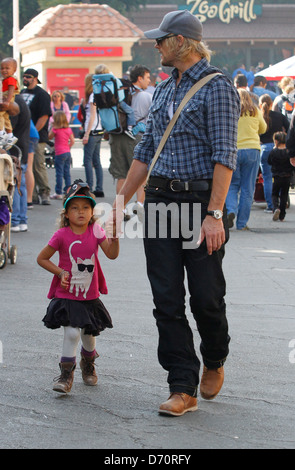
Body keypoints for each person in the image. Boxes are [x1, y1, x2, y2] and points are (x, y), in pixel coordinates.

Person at [111, 10, 240, 416]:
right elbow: (145, 152)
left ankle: (215, 358)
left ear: (181, 42)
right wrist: (120, 203)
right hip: (160, 203)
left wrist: (215, 213)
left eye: (161, 39)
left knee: (206, 298)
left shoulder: (217, 88)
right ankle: (182, 384)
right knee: (166, 299)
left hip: (200, 205)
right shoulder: (165, 89)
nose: (156, 45)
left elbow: (225, 156)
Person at [37, 180, 119, 394]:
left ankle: (88, 362)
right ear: (66, 213)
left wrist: (115, 238)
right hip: (67, 295)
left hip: (90, 297)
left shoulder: (97, 231)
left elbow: (111, 254)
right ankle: (66, 375)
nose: (80, 212)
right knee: (72, 333)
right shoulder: (61, 235)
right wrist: (60, 272)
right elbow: (42, 258)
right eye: (75, 207)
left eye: (85, 207)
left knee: (88, 336)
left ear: (92, 211)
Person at [108, 64, 152, 220]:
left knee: (121, 175)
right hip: (136, 136)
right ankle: (139, 205)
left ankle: (122, 209)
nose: (149, 81)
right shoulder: (144, 96)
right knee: (140, 172)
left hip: (117, 135)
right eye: (147, 77)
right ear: (139, 78)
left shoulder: (120, 94)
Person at [226, 89, 267, 230]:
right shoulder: (255, 110)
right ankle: (242, 224)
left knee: (232, 185)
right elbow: (263, 128)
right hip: (252, 150)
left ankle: (231, 210)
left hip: (234, 150)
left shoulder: (231, 109)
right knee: (247, 188)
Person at [20, 68, 52, 205]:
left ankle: (44, 192)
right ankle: (31, 195)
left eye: (28, 77)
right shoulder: (21, 93)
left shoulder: (42, 94)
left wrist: (33, 132)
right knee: (27, 167)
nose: (25, 79)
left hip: (37, 136)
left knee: (38, 166)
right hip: (22, 136)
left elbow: (44, 116)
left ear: (35, 78)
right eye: (24, 76)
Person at [259, 94, 290, 212]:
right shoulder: (279, 116)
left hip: (264, 148)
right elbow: (289, 129)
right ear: (272, 104)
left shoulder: (260, 116)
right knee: (281, 176)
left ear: (260, 105)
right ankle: (282, 204)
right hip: (279, 147)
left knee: (266, 177)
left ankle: (271, 205)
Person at [10, 94, 30, 232]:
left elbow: (10, 128)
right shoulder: (19, 100)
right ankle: (21, 219)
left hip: (14, 150)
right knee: (20, 185)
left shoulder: (14, 103)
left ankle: (16, 219)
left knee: (16, 185)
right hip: (21, 148)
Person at [82, 73, 105, 197]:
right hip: (99, 130)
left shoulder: (92, 96)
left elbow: (92, 116)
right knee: (97, 160)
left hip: (92, 131)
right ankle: (99, 187)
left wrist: (86, 133)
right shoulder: (99, 95)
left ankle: (89, 187)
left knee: (87, 160)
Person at [268, 131, 294, 221]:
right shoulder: (288, 152)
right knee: (284, 195)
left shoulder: (273, 152)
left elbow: (269, 161)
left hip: (276, 176)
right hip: (287, 177)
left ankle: (275, 208)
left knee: (274, 194)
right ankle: (282, 215)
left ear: (276, 141)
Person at [49, 110, 75, 200]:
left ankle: (58, 192)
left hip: (59, 153)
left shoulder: (55, 130)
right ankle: (68, 191)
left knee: (59, 173)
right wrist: (68, 147)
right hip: (67, 152)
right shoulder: (68, 129)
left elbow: (49, 137)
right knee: (67, 172)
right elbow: (72, 141)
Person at [0, 57, 19, 149]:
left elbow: (11, 91)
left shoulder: (11, 79)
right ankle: (10, 135)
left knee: (0, 115)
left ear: (14, 70)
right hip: (5, 99)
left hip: (7, 100)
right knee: (6, 118)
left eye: (7, 68)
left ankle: (1, 133)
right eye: (2, 68)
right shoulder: (5, 80)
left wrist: (7, 101)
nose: (4, 70)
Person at [26, 120, 39, 210]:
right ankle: (29, 200)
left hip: (27, 135)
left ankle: (28, 200)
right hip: (32, 135)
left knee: (26, 168)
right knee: (28, 168)